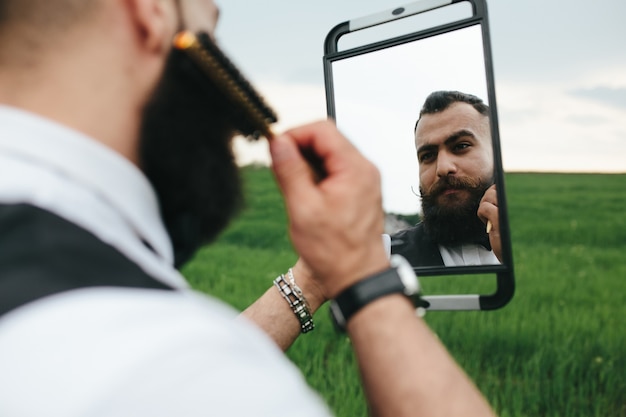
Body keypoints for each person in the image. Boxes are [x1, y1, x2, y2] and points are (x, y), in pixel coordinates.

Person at [0, 1, 496, 416]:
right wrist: (368, 283)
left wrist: (318, 277)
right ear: (150, 13)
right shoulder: (166, 373)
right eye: (210, 30)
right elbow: (175, 375)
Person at [391, 91, 502, 267]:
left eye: (461, 146)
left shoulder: (534, 245)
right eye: (428, 156)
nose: (442, 168)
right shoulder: (381, 257)